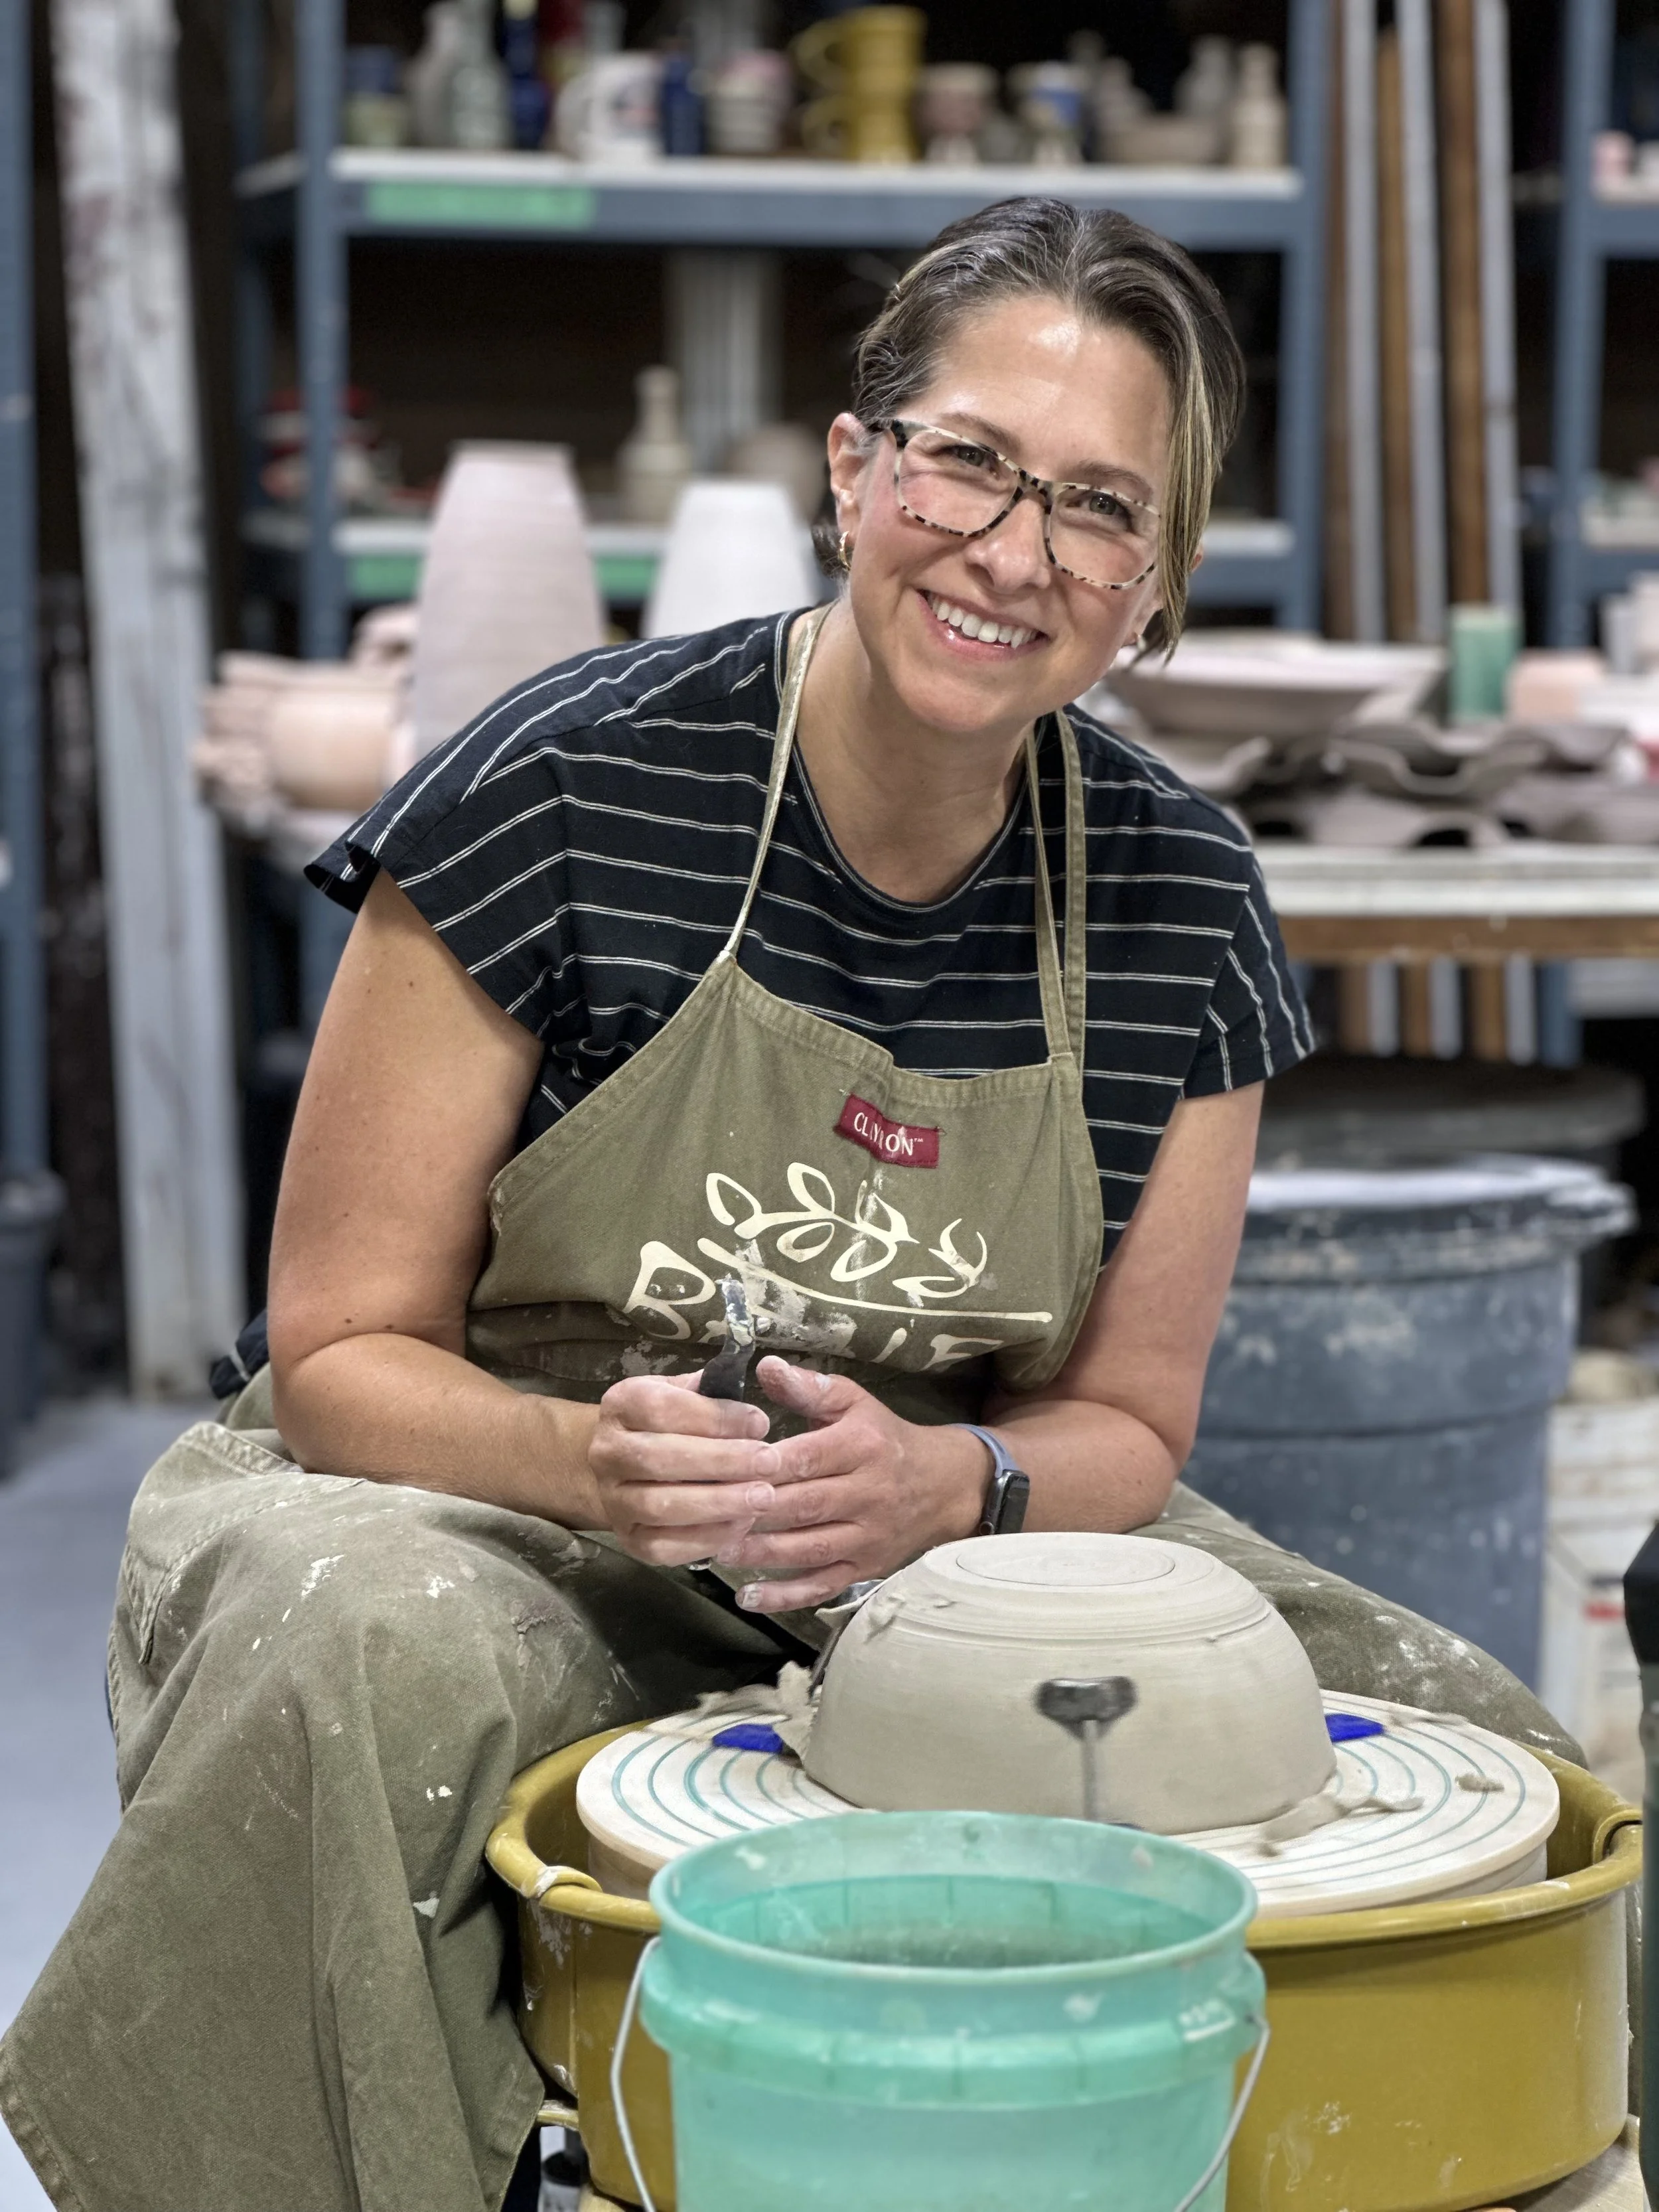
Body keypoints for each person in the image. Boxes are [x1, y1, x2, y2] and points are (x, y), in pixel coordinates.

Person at [0, 198, 1574, 2212]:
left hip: (929, 1553)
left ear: (1153, 585)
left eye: (1096, 507)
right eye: (970, 461)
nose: (1016, 551)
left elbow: (1131, 1428)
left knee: (1478, 1751)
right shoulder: (561, 789)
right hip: (483, 1504)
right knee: (363, 1652)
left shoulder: (1184, 901)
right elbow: (336, 1362)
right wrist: (593, 1461)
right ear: (854, 469)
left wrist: (961, 1488)